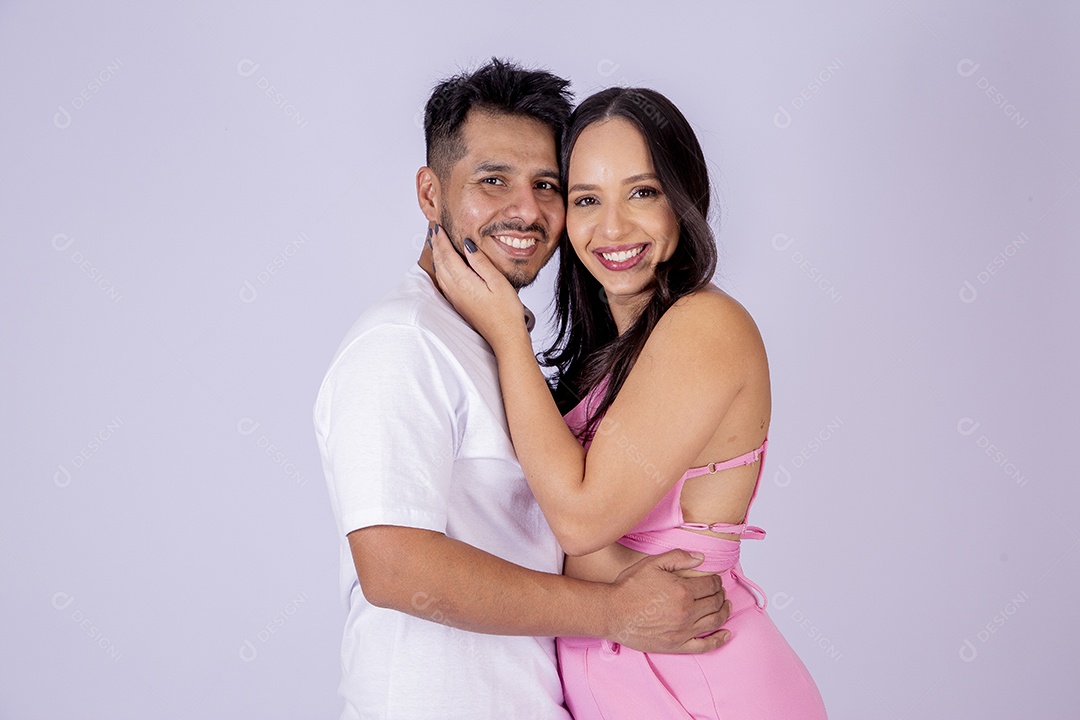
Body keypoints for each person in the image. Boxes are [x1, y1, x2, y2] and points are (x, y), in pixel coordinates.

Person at [313, 60, 734, 720]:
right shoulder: (400, 341)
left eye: (547, 184)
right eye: (493, 181)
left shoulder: (491, 341)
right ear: (430, 194)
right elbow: (394, 566)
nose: (527, 210)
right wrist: (614, 612)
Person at [431, 86, 829, 719]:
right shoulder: (614, 349)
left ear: (683, 198)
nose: (611, 227)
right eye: (586, 199)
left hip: (703, 683)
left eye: (642, 192)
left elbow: (579, 520)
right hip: (619, 681)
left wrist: (507, 331)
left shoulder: (705, 327)